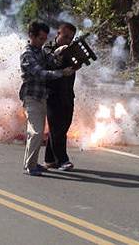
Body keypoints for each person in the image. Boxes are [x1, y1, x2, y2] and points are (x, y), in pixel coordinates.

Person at [19, 21, 75, 176]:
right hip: (32, 97)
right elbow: (41, 73)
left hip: (41, 97)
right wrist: (61, 73)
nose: (42, 42)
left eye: (44, 38)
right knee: (36, 133)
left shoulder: (40, 51)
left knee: (38, 132)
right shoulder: (27, 55)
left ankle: (32, 162)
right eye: (40, 38)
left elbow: (51, 61)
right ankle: (30, 166)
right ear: (31, 36)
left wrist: (61, 52)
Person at [43, 22, 78, 171]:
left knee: (63, 127)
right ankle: (63, 160)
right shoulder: (47, 48)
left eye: (70, 38)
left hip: (67, 93)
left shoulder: (71, 49)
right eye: (65, 36)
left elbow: (76, 64)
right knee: (57, 128)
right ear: (58, 33)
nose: (67, 40)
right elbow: (47, 63)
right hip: (52, 94)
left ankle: (50, 159)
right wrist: (59, 52)